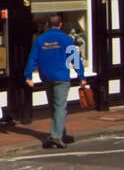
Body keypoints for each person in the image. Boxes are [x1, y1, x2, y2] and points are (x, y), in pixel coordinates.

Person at [24, 14, 84, 150]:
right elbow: (74, 58)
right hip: (61, 77)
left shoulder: (40, 40)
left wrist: (28, 76)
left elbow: (33, 58)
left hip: (46, 77)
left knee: (53, 106)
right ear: (60, 24)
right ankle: (56, 137)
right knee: (60, 107)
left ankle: (61, 133)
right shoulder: (66, 39)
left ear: (47, 25)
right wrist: (81, 76)